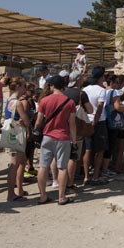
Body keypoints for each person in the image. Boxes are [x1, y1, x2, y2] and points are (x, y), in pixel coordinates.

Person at [35, 75, 77, 205]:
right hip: (63, 136)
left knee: (43, 166)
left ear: (52, 86)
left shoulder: (44, 101)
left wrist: (35, 132)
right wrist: (74, 141)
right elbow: (72, 124)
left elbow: (39, 121)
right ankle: (62, 196)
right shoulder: (69, 102)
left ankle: (42, 196)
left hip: (48, 135)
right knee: (62, 167)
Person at [4, 77, 31, 202]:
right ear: (19, 86)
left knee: (20, 162)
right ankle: (11, 193)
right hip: (18, 132)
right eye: (24, 86)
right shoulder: (18, 102)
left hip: (11, 131)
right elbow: (26, 121)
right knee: (15, 163)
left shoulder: (9, 100)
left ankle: (18, 190)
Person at [82, 67, 108, 185]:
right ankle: (96, 175)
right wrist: (96, 121)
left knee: (88, 149)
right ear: (101, 77)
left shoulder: (85, 89)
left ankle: (87, 175)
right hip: (99, 121)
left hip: (86, 120)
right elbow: (100, 106)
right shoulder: (101, 90)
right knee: (99, 150)